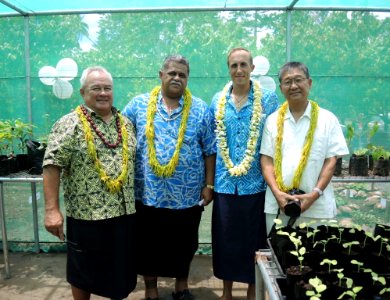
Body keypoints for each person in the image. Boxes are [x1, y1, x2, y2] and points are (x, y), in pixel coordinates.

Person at [122, 55, 216, 300]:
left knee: (184, 244)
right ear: (161, 74)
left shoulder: (200, 108)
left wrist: (209, 184)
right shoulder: (137, 105)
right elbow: (121, 141)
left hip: (187, 196)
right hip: (147, 194)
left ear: (187, 79)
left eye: (182, 75)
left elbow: (210, 150)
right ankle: (150, 289)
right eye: (172, 73)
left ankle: (181, 287)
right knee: (147, 244)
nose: (177, 78)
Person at [43, 66, 137, 300]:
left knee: (119, 273)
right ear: (83, 92)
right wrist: (51, 210)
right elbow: (51, 166)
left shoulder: (125, 124)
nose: (103, 93)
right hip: (87, 217)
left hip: (123, 214)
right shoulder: (68, 124)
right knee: (82, 273)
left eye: (107, 88)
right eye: (96, 88)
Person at [210, 47, 279, 300]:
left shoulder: (268, 100)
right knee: (226, 239)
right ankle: (226, 292)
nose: (239, 70)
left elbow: (273, 140)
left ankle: (252, 292)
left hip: (255, 184)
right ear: (229, 69)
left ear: (252, 68)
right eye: (233, 65)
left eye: (243, 65)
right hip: (225, 183)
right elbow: (212, 141)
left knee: (253, 239)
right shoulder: (218, 99)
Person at [260, 61, 349, 232]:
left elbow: (331, 161)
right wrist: (278, 194)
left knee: (315, 255)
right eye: (287, 82)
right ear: (281, 88)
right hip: (279, 205)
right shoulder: (272, 121)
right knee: (279, 254)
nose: (293, 86)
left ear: (309, 83)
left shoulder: (327, 119)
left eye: (298, 80)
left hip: (318, 207)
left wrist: (315, 194)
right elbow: (266, 160)